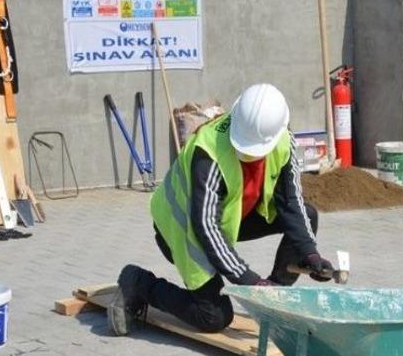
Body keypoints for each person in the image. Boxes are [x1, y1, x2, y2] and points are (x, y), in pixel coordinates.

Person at [109, 83, 333, 335]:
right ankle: (138, 282)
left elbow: (291, 202)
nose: (247, 152)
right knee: (213, 317)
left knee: (308, 216)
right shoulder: (208, 152)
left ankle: (274, 298)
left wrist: (310, 254)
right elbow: (206, 227)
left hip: (229, 217)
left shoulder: (282, 141)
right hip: (182, 229)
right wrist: (250, 281)